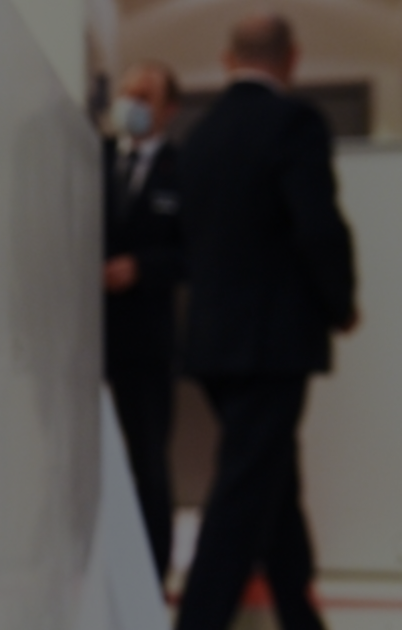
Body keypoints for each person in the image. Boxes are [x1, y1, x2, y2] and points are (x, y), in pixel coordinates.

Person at [175, 12, 357, 630]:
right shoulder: (293, 123)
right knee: (244, 492)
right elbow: (317, 226)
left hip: (213, 342)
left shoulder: (199, 135)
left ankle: (300, 615)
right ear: (292, 57)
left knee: (272, 480)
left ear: (228, 60)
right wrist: (341, 302)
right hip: (272, 342)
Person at [103, 60, 184, 584]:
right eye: (127, 94)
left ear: (168, 108)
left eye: (145, 97)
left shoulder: (183, 170)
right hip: (91, 341)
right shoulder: (96, 161)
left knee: (149, 462)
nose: (132, 106)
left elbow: (195, 251)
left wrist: (143, 268)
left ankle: (152, 574)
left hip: (147, 343)